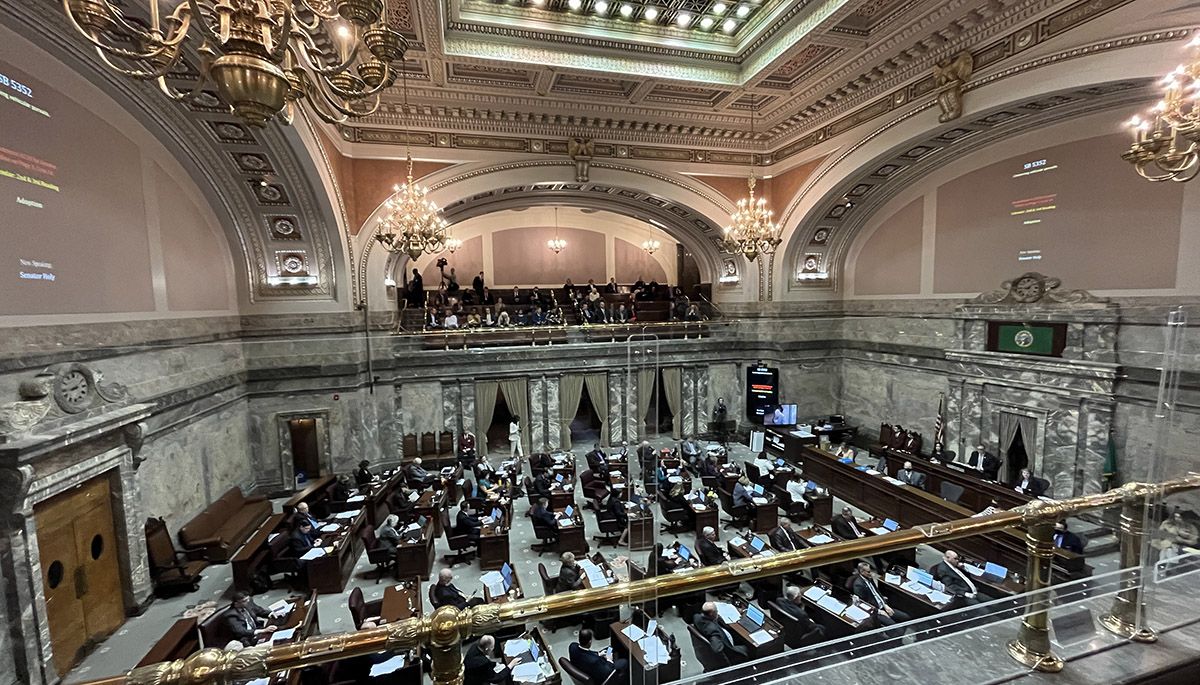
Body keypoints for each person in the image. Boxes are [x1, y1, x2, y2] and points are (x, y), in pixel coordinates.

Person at [852, 562, 910, 638]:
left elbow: (877, 592)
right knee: (898, 629)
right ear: (862, 572)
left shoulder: (869, 578)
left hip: (883, 606)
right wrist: (880, 611)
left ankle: (896, 635)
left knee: (906, 617)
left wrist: (885, 604)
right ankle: (895, 639)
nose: (871, 573)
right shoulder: (858, 585)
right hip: (875, 612)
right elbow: (864, 604)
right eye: (868, 572)